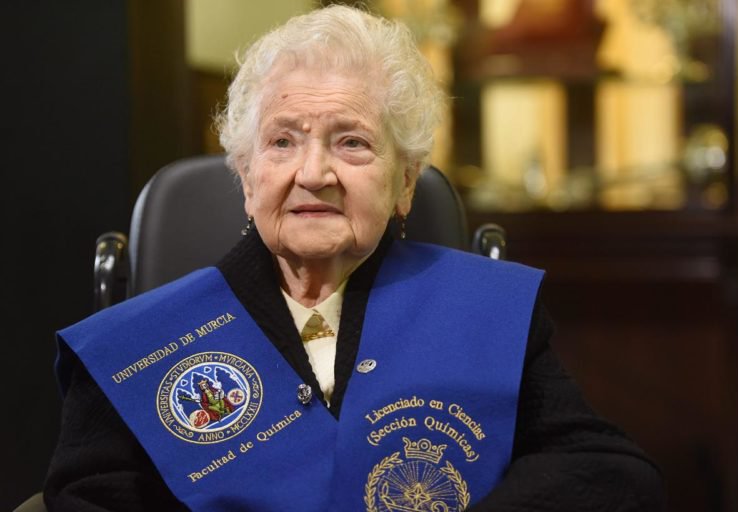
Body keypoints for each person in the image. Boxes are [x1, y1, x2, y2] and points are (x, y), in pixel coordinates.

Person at [45, 5, 663, 511]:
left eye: (352, 142)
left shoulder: (485, 314)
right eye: (282, 141)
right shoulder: (143, 346)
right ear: (246, 174)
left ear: (405, 184)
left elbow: (607, 474)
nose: (314, 173)